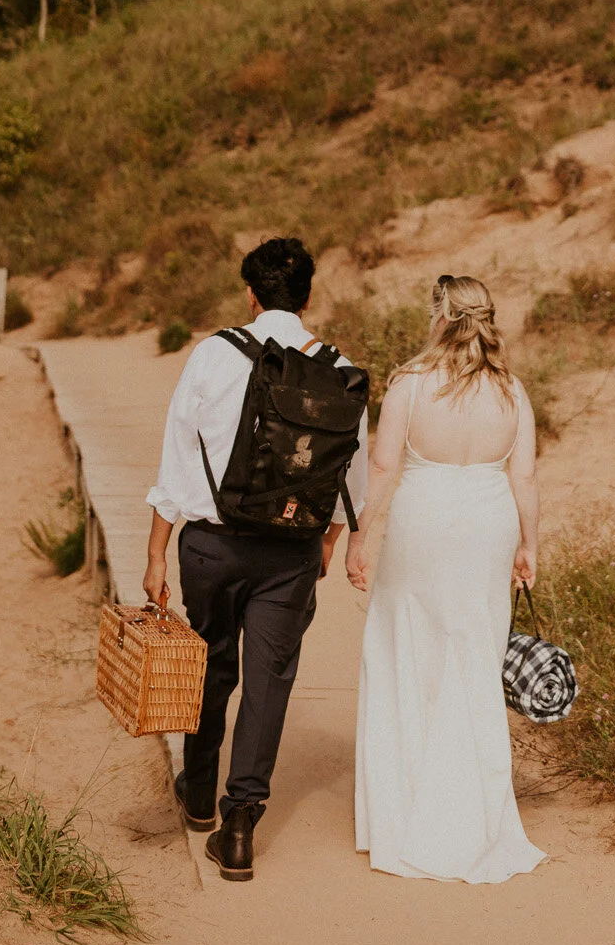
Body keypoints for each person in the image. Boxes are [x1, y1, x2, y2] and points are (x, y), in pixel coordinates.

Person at [144, 236, 369, 882]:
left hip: (212, 546)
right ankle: (240, 823)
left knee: (211, 664)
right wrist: (322, 548)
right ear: (304, 297)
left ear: (250, 293)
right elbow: (348, 480)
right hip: (290, 552)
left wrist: (157, 552)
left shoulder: (211, 357)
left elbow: (176, 460)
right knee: (269, 678)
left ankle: (197, 792)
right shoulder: (335, 366)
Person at [348, 274, 546, 883]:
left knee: (407, 651)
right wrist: (529, 544)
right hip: (489, 527)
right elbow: (525, 479)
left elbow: (382, 466)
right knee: (473, 657)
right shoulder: (512, 391)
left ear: (439, 315)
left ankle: (405, 812)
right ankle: (472, 815)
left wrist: (359, 533)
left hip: (424, 524)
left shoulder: (411, 383)